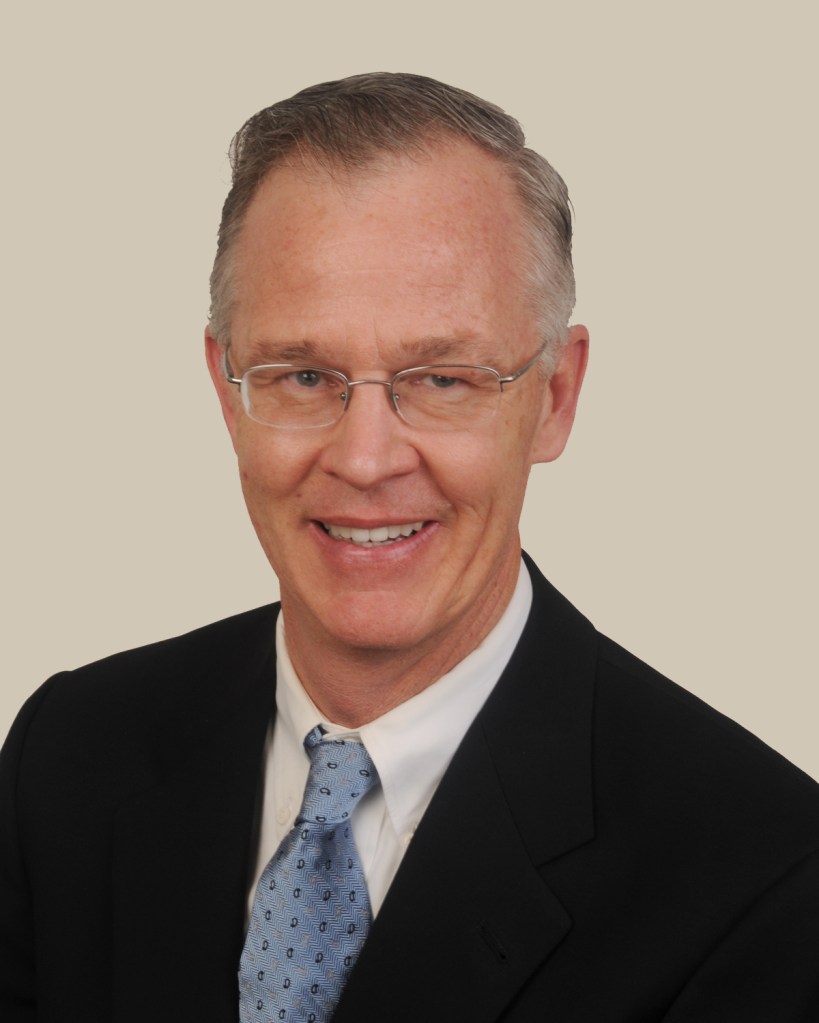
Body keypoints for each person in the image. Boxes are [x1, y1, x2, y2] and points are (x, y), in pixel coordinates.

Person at [1, 72, 818, 1023]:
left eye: (441, 379)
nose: (364, 458)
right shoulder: (70, 753)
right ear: (228, 392)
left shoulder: (766, 877)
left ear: (554, 397)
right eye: (304, 375)